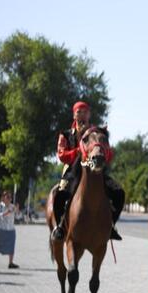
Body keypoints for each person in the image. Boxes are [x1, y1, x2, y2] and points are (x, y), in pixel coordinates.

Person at [50, 101, 125, 241]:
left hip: (94, 169)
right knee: (60, 194)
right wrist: (78, 150)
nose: (82, 115)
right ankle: (59, 227)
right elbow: (61, 155)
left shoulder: (97, 134)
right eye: (79, 112)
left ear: (89, 115)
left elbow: (109, 152)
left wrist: (104, 155)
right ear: (74, 115)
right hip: (73, 169)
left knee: (119, 193)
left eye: (85, 112)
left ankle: (111, 226)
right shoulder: (65, 135)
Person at [0, 191, 18, 268]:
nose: (9, 199)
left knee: (11, 246)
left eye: (10, 197)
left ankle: (10, 263)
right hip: (1, 229)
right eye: (7, 197)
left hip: (11, 229)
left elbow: (18, 216)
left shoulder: (12, 206)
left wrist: (17, 210)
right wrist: (6, 213)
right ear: (3, 197)